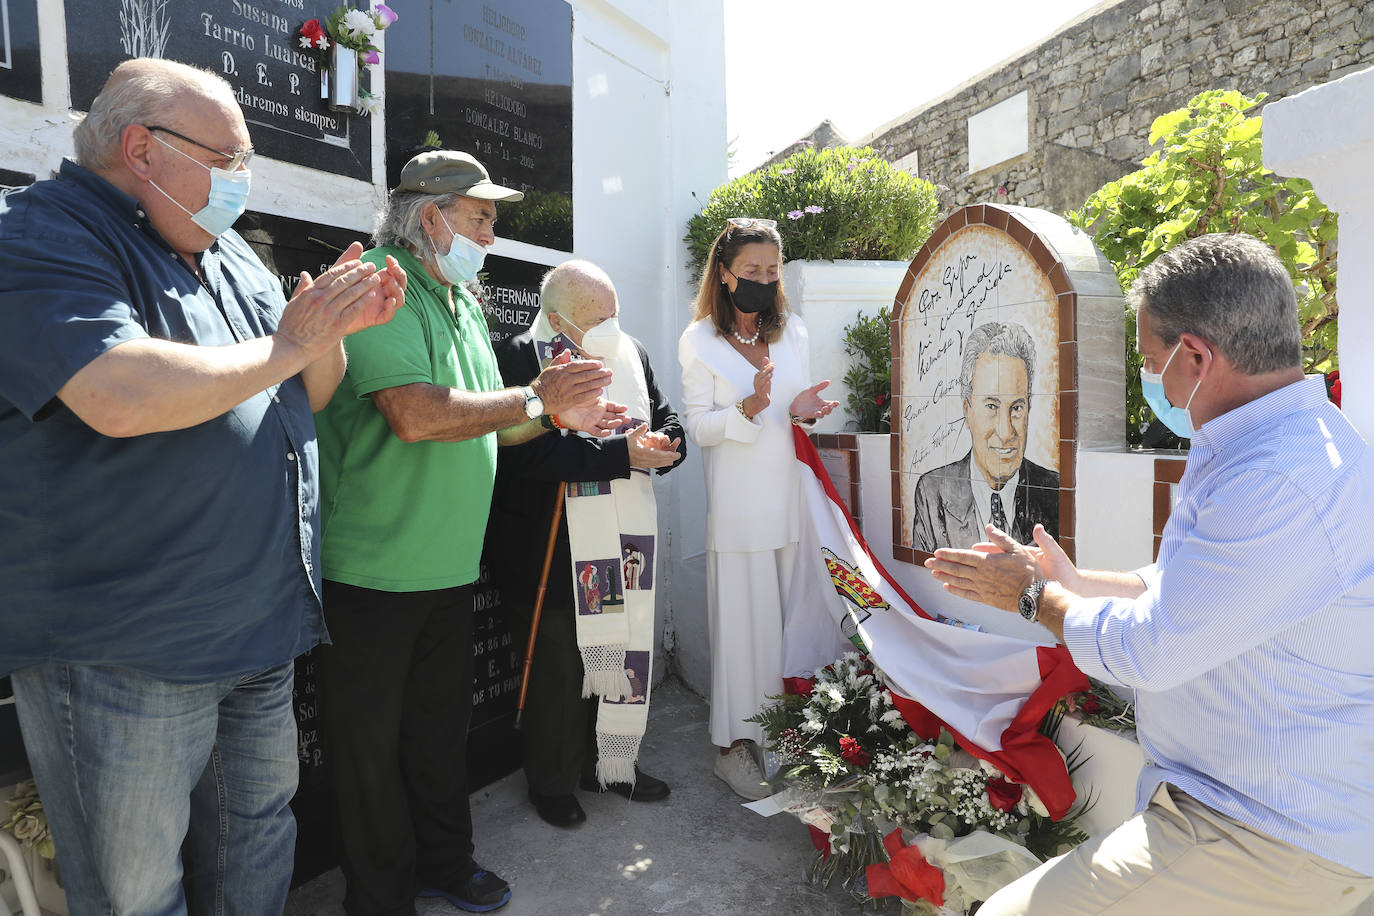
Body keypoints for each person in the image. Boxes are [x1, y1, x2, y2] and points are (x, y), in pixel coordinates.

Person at [0, 58, 405, 914]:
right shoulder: (42, 232)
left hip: (256, 630)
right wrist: (291, 345)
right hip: (128, 650)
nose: (242, 180)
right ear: (141, 149)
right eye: (227, 158)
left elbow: (307, 392)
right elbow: (115, 390)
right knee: (136, 888)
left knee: (257, 843)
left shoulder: (233, 261)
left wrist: (331, 332)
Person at [926, 233, 1374, 916]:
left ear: (1196, 357)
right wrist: (1076, 582)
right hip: (1239, 812)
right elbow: (1193, 589)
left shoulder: (1279, 478)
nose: (1150, 381)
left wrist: (1033, 599)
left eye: (1150, 361)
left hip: (1266, 832)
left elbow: (1154, 649)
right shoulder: (1266, 442)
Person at [313, 151, 620, 916]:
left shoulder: (460, 301)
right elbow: (415, 415)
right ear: (431, 216)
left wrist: (554, 413)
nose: (490, 235)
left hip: (449, 567)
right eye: (480, 218)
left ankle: (447, 863)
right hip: (373, 572)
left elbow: (497, 423)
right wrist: (533, 397)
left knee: (436, 738)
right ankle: (379, 897)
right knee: (369, 755)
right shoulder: (380, 283)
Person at [488, 260, 685, 828]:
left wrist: (665, 442)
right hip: (548, 546)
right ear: (556, 320)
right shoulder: (521, 358)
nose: (611, 326)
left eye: (614, 312)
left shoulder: (630, 354)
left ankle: (612, 765)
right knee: (557, 670)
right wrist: (624, 456)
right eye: (597, 317)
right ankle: (553, 782)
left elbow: (665, 416)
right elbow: (521, 455)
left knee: (623, 655)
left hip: (625, 543)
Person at [677, 217, 838, 800]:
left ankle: (785, 738)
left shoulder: (792, 331)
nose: (764, 280)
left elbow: (786, 412)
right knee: (742, 630)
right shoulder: (699, 342)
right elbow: (698, 427)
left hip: (792, 499)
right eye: (751, 271)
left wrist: (797, 408)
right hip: (741, 508)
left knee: (790, 626)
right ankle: (733, 748)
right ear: (724, 274)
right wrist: (747, 408)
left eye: (772, 270)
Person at [912, 320, 1059, 552]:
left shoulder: (1054, 492)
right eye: (992, 406)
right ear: (967, 409)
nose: (1006, 432)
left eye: (1017, 408)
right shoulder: (933, 493)